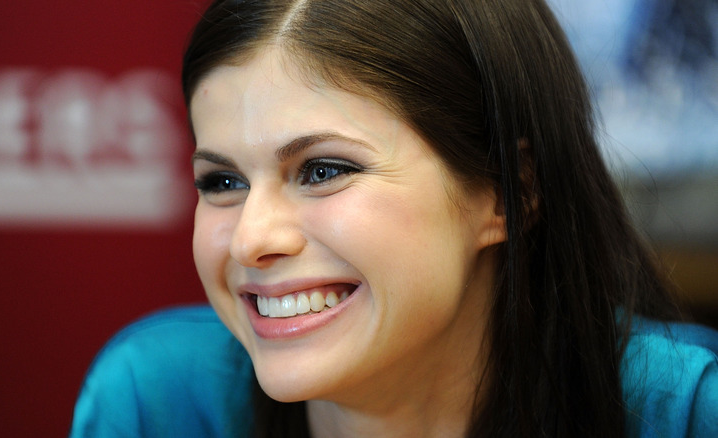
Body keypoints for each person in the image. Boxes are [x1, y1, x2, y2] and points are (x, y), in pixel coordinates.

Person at [69, 0, 718, 437]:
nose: (250, 237)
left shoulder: (687, 410)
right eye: (223, 182)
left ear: (509, 194)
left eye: (323, 170)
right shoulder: (158, 399)